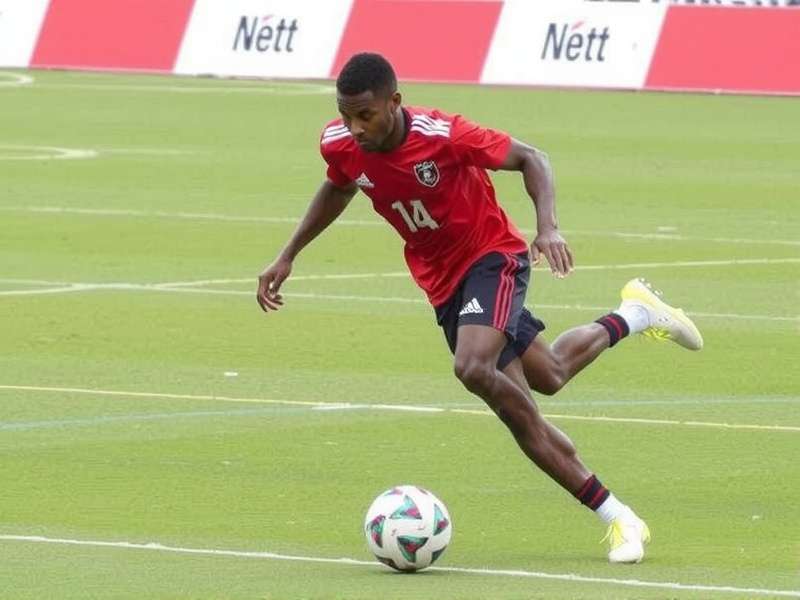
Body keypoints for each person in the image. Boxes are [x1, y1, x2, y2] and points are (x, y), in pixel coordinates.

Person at [256, 52, 703, 564]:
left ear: (394, 103)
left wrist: (548, 226)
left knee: (474, 368)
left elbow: (533, 158)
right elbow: (340, 184)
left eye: (366, 115)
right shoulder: (339, 143)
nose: (355, 128)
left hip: (493, 258)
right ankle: (638, 313)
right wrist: (288, 253)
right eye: (346, 115)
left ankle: (619, 517)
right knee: (550, 373)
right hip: (444, 286)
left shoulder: (443, 134)